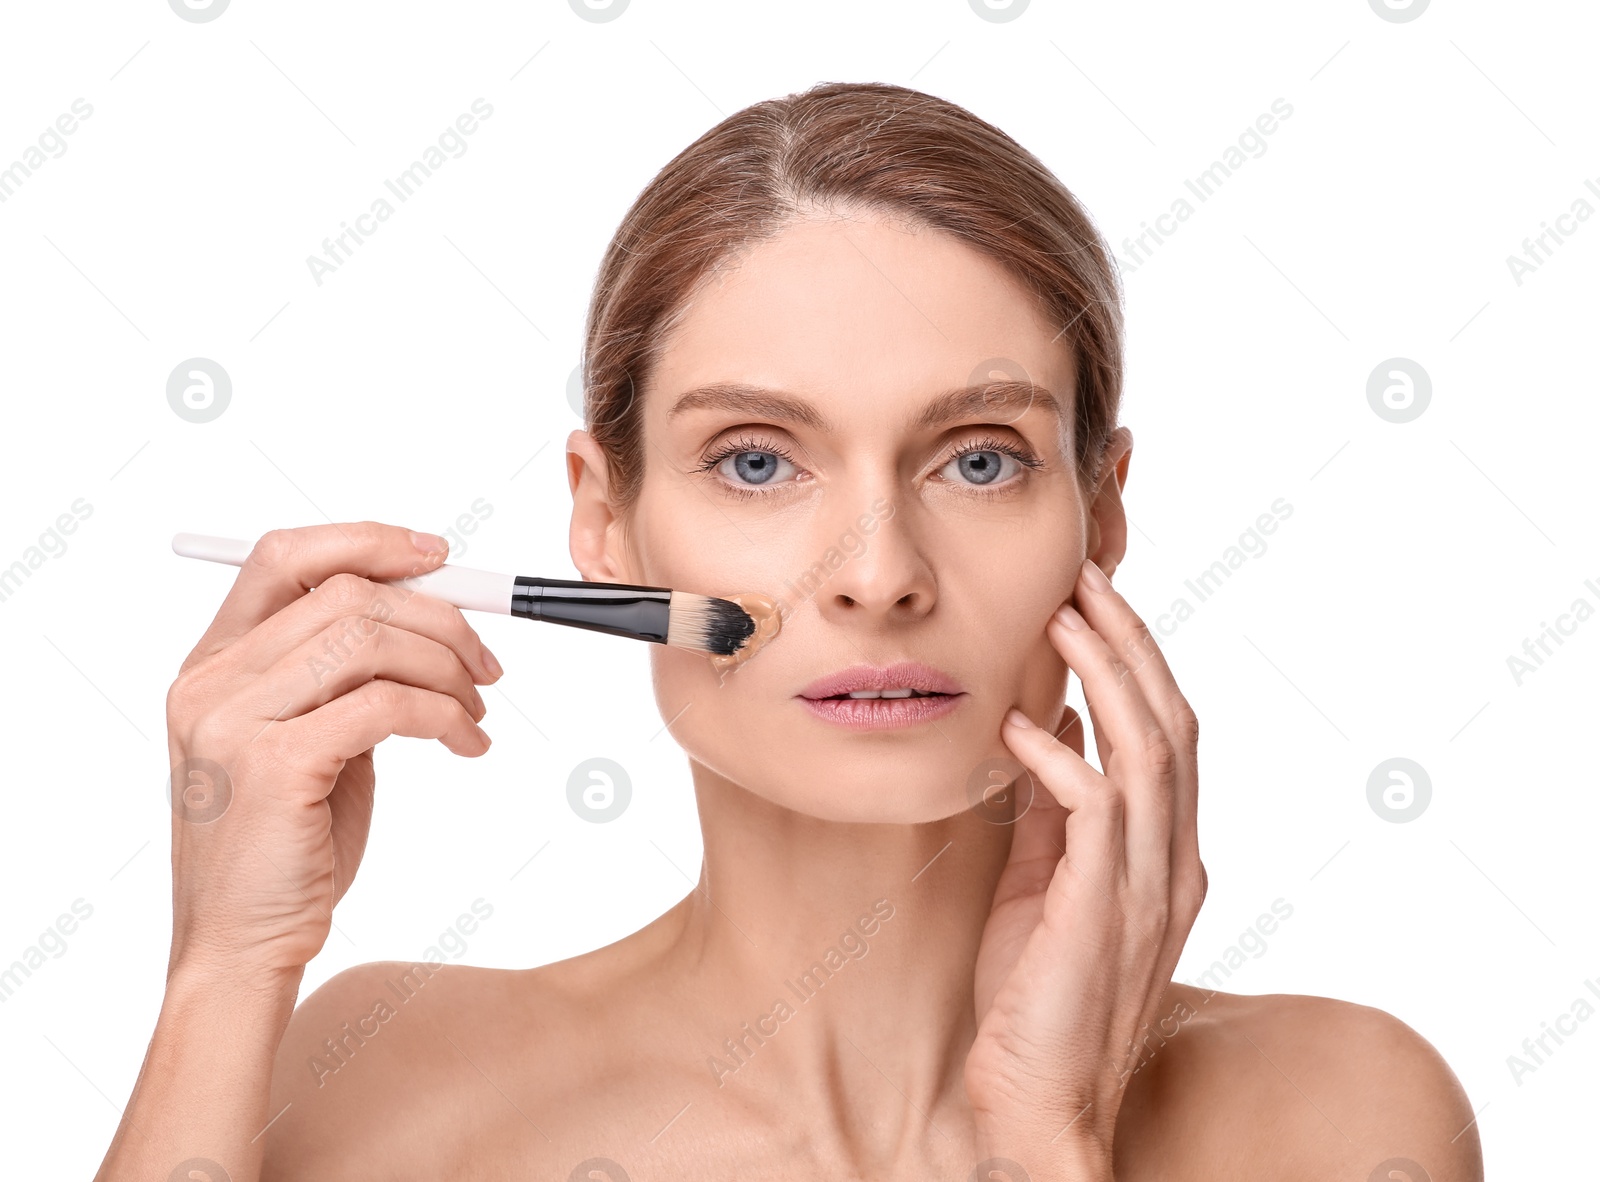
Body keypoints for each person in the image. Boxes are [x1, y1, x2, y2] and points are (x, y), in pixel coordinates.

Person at [97, 81, 1481, 1182]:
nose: (878, 575)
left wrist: (1042, 1137)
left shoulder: (1338, 1115)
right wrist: (224, 969)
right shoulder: (381, 1078)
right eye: (759, 462)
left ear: (1101, 510)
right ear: (605, 518)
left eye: (981, 458)